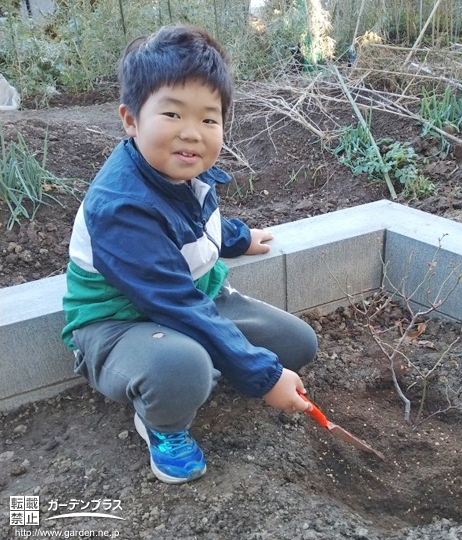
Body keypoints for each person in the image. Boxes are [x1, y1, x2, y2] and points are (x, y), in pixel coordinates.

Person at [61, 24, 318, 485]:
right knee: (183, 366)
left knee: (298, 345)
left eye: (208, 119)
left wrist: (238, 238)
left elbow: (193, 223)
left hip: (191, 300)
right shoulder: (120, 207)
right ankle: (163, 427)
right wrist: (262, 376)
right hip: (120, 325)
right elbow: (173, 300)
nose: (193, 134)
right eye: (173, 114)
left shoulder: (182, 174)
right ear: (130, 119)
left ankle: (204, 363)